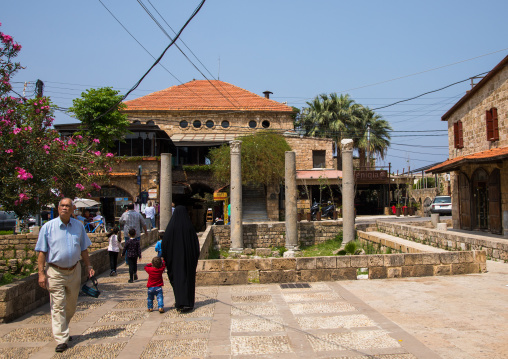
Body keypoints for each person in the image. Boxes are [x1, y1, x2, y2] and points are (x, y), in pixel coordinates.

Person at [35, 198, 95, 353]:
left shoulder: (78, 227)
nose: (65, 208)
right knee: (58, 304)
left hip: (74, 270)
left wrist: (88, 266)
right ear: (58, 207)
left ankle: (63, 327)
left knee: (71, 305)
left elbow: (83, 249)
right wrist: (41, 273)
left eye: (68, 206)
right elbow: (42, 251)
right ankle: (61, 338)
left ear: (73, 209)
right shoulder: (48, 227)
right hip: (55, 271)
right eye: (62, 205)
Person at [161, 206, 200, 313]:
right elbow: (196, 246)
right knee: (188, 279)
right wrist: (193, 257)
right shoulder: (189, 228)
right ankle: (189, 303)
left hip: (175, 262)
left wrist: (167, 257)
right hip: (188, 261)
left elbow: (165, 245)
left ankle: (180, 303)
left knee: (178, 280)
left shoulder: (171, 228)